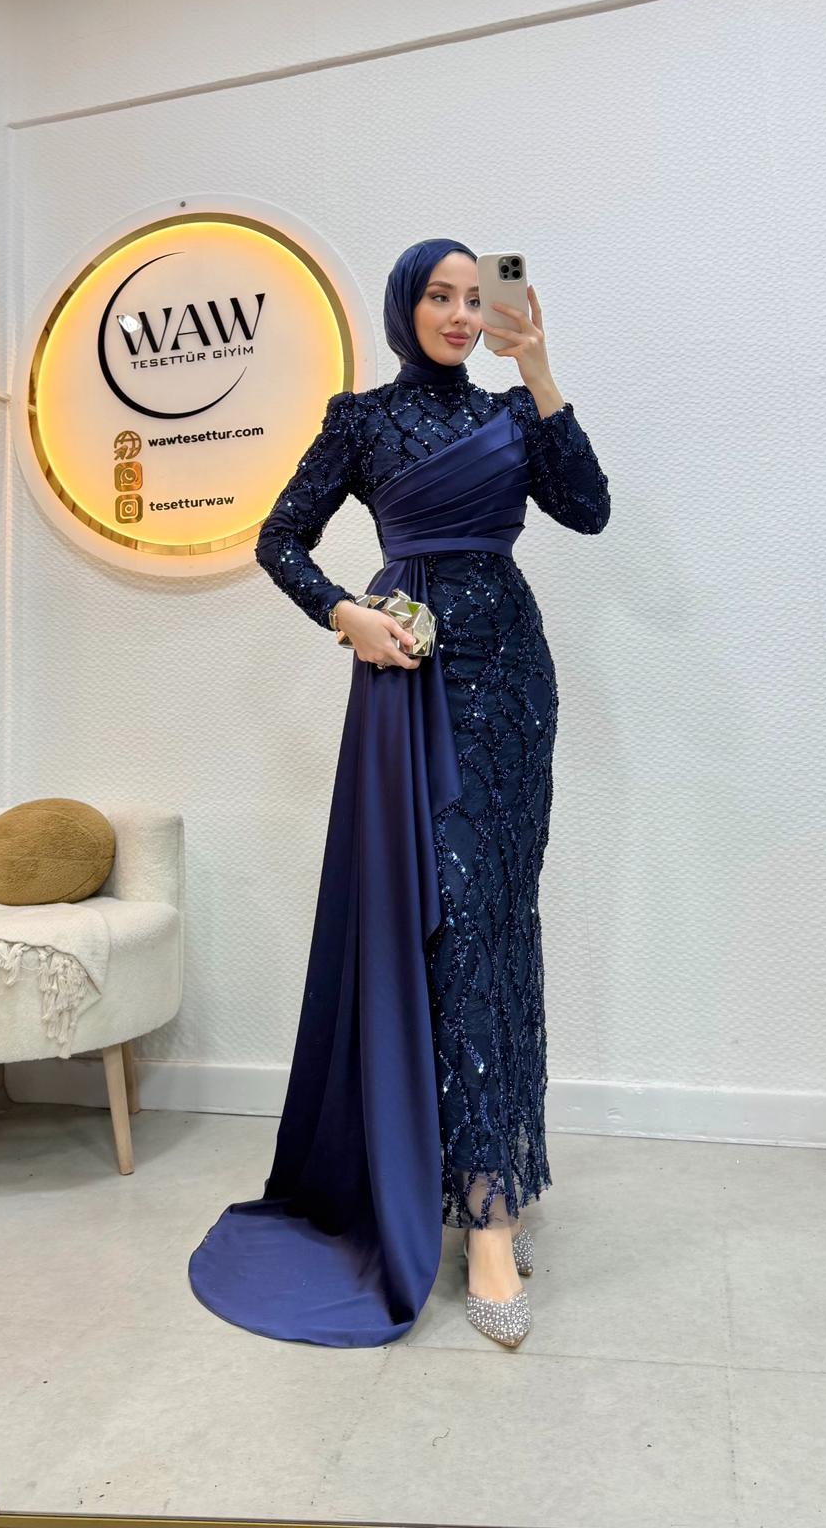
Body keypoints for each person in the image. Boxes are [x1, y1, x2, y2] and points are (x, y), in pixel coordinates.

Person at [188, 237, 610, 1349]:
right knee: (446, 925)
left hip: (512, 684)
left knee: (496, 924)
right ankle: (482, 1218)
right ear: (404, 306)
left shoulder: (514, 414)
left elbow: (589, 508)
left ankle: (493, 1176)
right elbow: (280, 538)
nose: (463, 314)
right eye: (441, 296)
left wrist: (539, 368)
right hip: (412, 682)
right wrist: (347, 616)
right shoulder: (362, 420)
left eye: (478, 298)